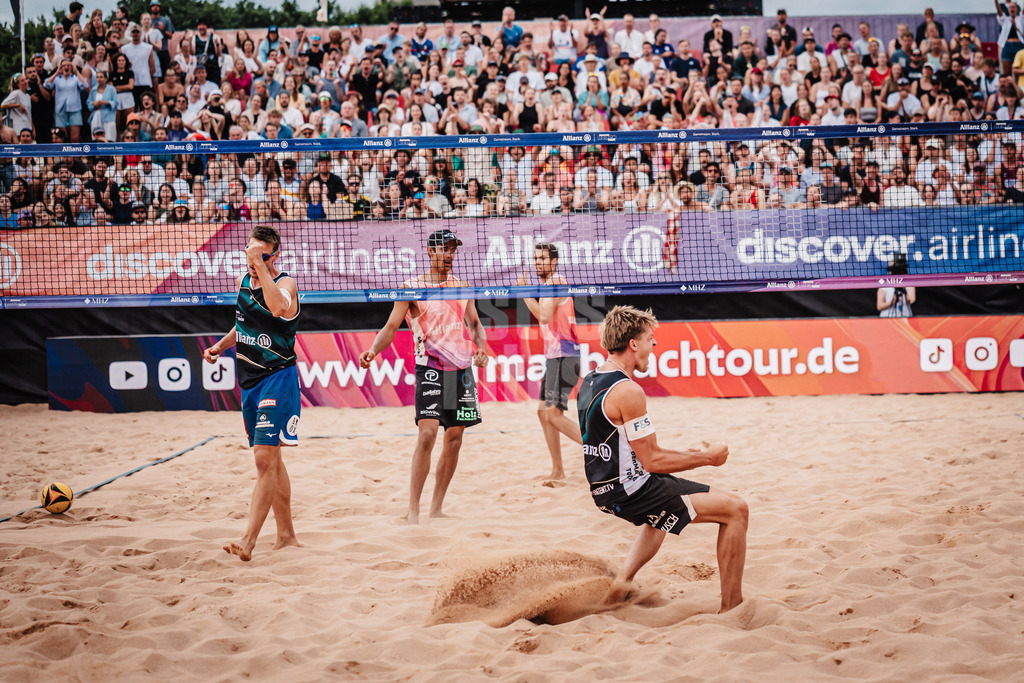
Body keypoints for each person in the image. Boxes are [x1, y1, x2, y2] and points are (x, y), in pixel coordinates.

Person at [578, 305, 748, 612]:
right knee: (736, 510)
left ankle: (619, 588)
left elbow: (629, 448)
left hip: (603, 488)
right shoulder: (628, 390)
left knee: (659, 517)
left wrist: (686, 455)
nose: (654, 345)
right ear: (633, 344)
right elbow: (652, 461)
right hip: (632, 490)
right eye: (649, 338)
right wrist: (707, 458)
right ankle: (732, 607)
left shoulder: (590, 380)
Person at [358, 229, 489, 524]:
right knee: (428, 434)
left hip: (461, 368)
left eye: (454, 249)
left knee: (454, 438)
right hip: (430, 366)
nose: (451, 254)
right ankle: (413, 510)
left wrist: (482, 349)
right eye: (445, 249)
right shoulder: (410, 288)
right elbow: (391, 327)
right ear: (430, 251)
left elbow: (476, 325)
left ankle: (436, 508)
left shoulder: (462, 286)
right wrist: (373, 351)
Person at [203, 224, 301, 562]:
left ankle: (248, 540)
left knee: (264, 459)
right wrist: (220, 345)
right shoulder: (244, 282)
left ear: (273, 255)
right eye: (249, 251)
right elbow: (244, 324)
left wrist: (261, 265)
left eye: (258, 253)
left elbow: (277, 308)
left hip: (278, 377)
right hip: (250, 381)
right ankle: (286, 536)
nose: (250, 259)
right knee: (272, 460)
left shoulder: (286, 283)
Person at [515, 243, 583, 481]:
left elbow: (543, 316)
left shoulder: (556, 281)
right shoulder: (546, 285)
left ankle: (601, 451)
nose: (537, 262)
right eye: (535, 258)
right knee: (543, 413)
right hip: (555, 356)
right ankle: (558, 471)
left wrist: (523, 293)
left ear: (553, 261)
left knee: (553, 415)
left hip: (565, 356)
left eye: (542, 258)